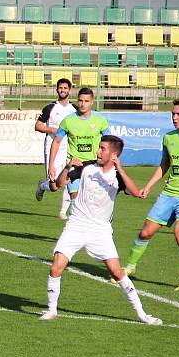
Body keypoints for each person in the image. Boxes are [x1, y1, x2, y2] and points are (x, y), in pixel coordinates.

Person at [40, 135, 161, 325]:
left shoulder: (117, 177)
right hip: (76, 224)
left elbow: (137, 194)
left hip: (100, 230)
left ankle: (142, 315)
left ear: (114, 154)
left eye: (102, 149)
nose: (98, 151)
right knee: (56, 267)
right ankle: (51, 310)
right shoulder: (87, 167)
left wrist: (119, 168)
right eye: (99, 147)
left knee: (116, 272)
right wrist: (67, 166)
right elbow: (58, 184)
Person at [123, 99, 179, 292]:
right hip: (168, 194)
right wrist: (149, 186)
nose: (174, 117)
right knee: (146, 232)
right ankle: (129, 267)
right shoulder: (168, 138)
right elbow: (164, 165)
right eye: (173, 114)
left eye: (178, 114)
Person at [47, 87, 110, 202]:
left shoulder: (100, 120)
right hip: (74, 164)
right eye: (80, 101)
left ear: (92, 102)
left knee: (93, 200)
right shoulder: (68, 120)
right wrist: (51, 164)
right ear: (77, 101)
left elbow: (108, 143)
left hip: (94, 165)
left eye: (86, 101)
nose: (83, 104)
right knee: (74, 199)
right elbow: (56, 141)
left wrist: (108, 162)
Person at [34, 78, 76, 219]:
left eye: (65, 88)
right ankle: (42, 185)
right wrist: (52, 129)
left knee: (69, 179)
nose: (63, 90)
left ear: (70, 90)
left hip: (70, 147)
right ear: (57, 89)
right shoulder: (50, 108)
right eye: (60, 88)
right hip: (53, 146)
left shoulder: (74, 109)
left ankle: (63, 211)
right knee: (54, 186)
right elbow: (38, 126)